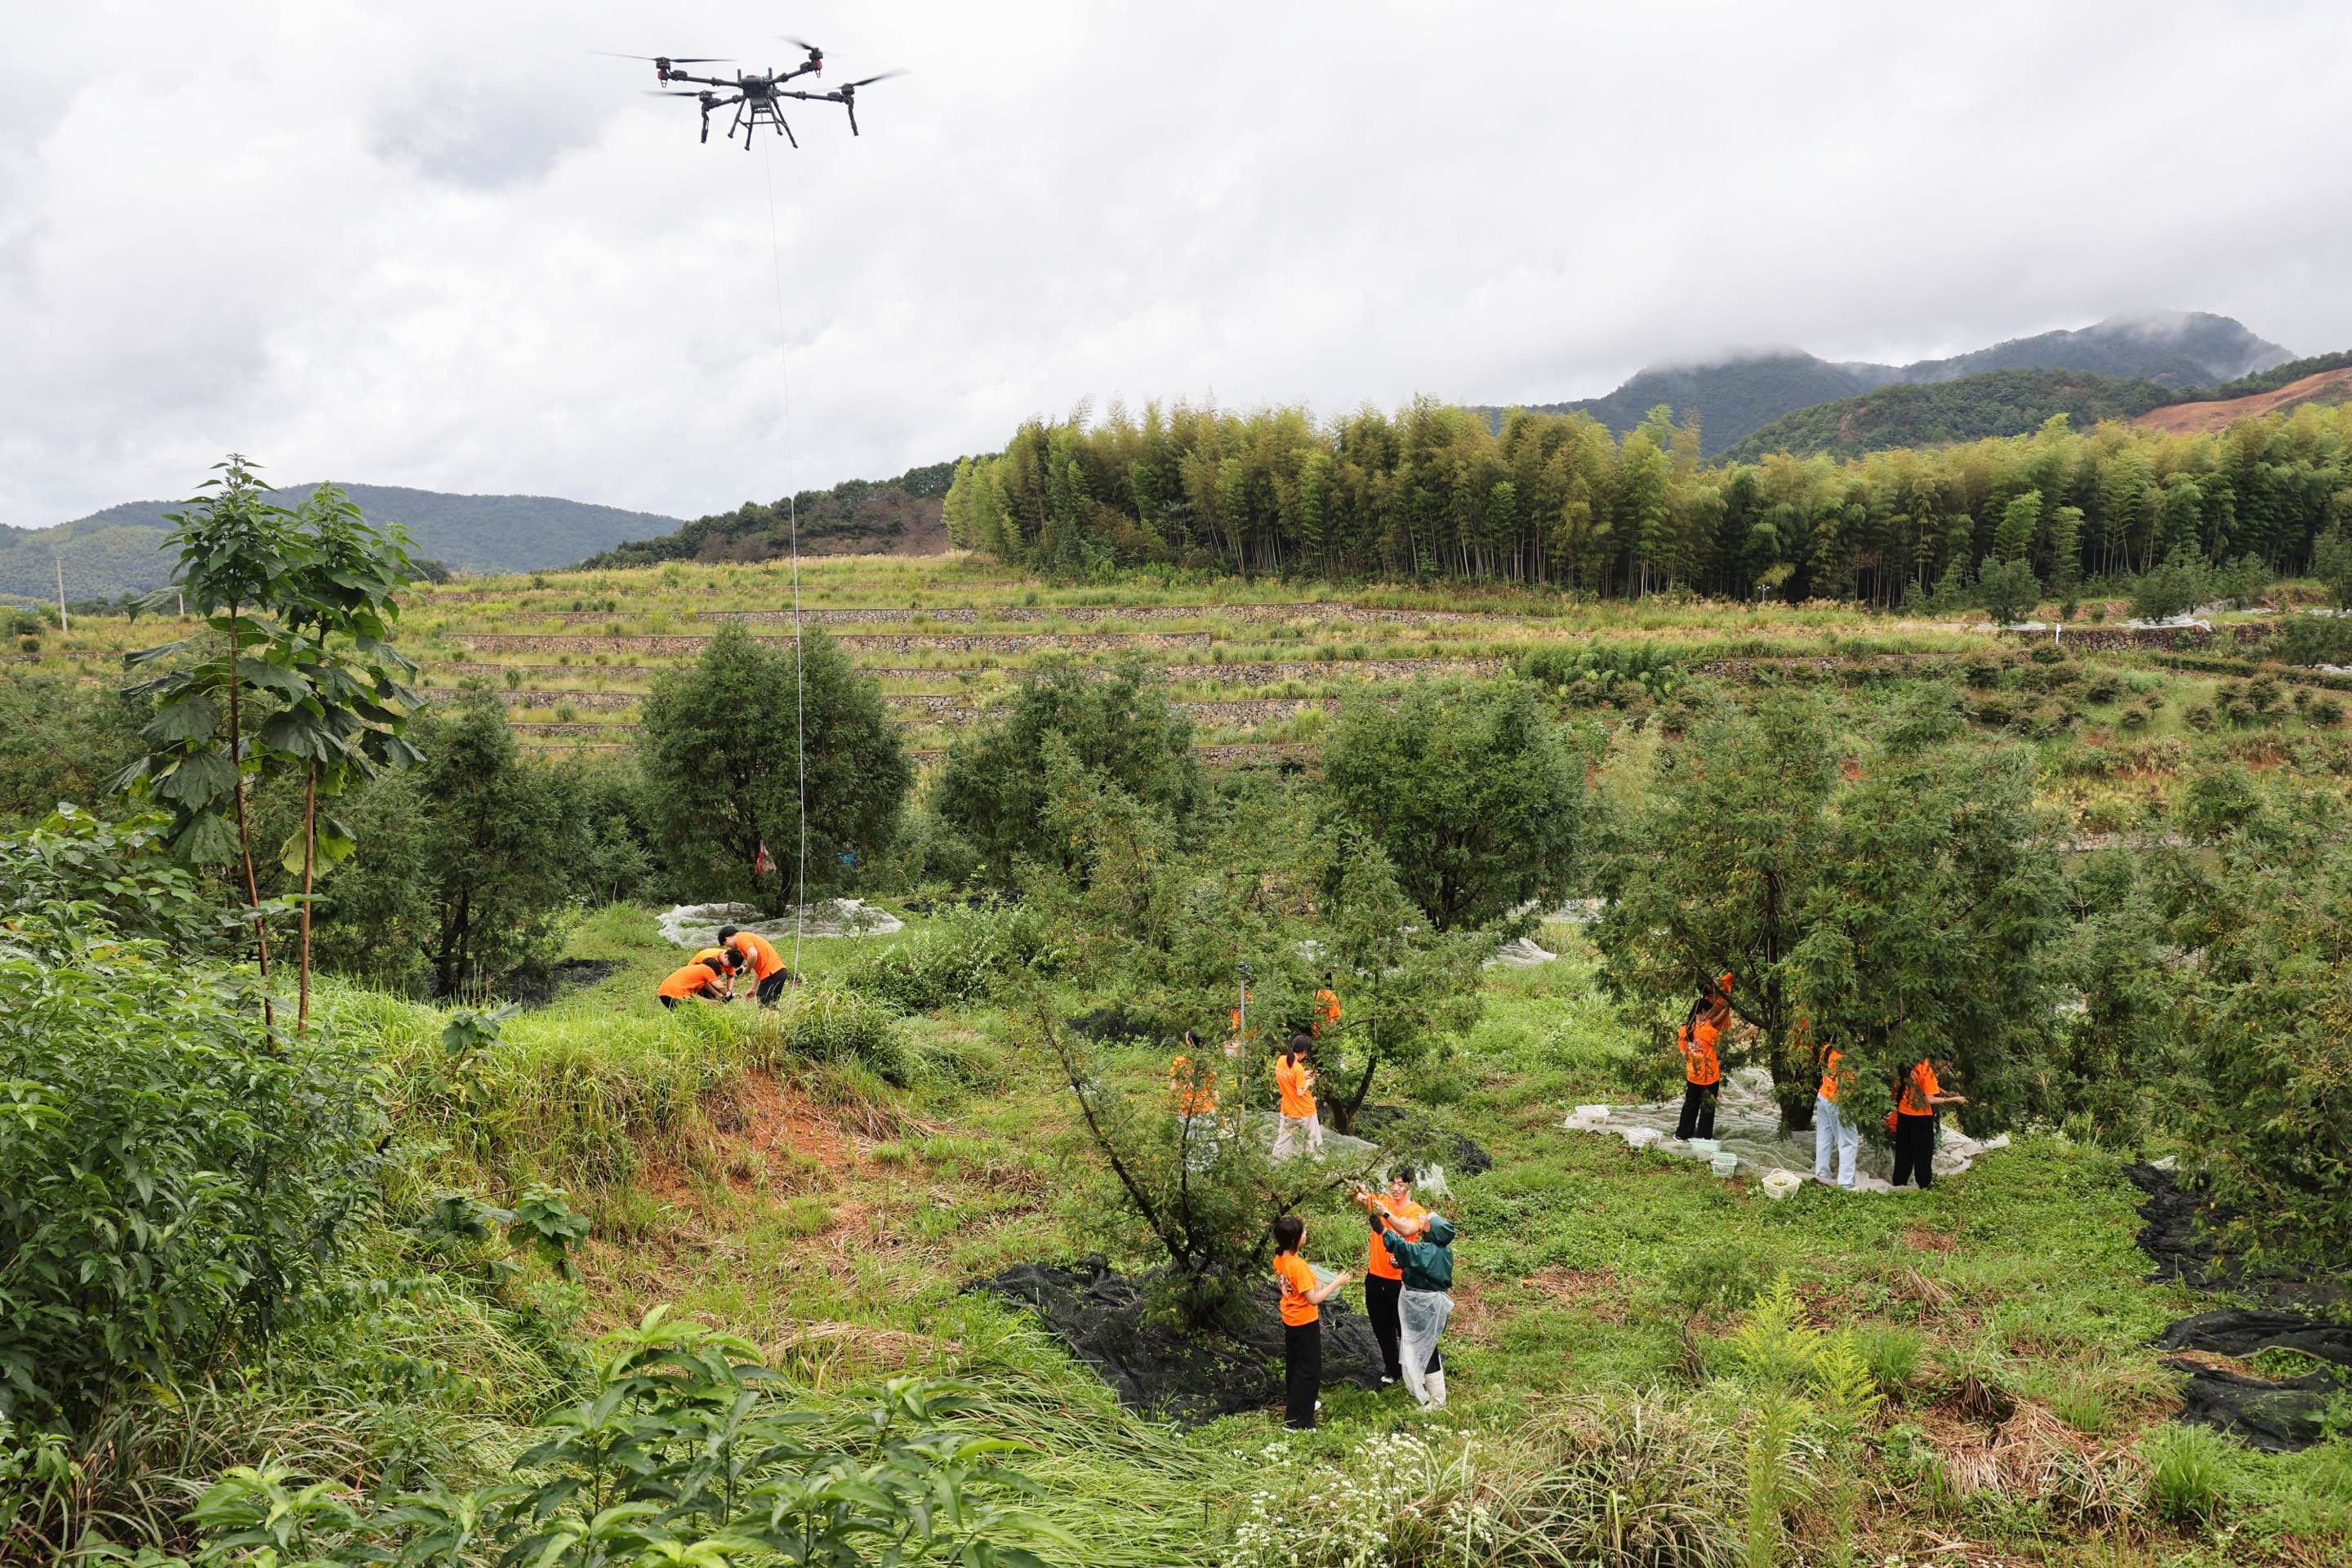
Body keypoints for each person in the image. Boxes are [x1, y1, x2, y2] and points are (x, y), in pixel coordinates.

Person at [1271, 1214, 1349, 1430]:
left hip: (1290, 1318)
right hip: (1305, 1322)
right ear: (1296, 1240)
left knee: (1295, 1365)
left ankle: (1302, 1403)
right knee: (1309, 1370)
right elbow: (1313, 1299)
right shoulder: (1299, 1267)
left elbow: (1286, 1288)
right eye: (1303, 1232)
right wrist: (1337, 1282)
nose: (1306, 1234)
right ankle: (1297, 1422)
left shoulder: (1279, 1259)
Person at [1352, 1169, 1428, 1388]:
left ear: (1410, 1185)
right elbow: (1360, 1200)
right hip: (1376, 1276)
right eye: (1392, 1183)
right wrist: (1358, 1192)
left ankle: (1417, 1369)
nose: (1396, 1189)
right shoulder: (1381, 1200)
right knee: (1381, 1327)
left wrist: (1385, 1212)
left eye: (1401, 1184)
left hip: (1402, 1280)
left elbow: (1406, 1230)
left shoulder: (1416, 1211)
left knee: (1406, 1327)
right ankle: (1392, 1368)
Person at [1377, 1206, 1457, 1410]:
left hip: (1423, 1305)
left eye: (1427, 1223)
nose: (1423, 1223)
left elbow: (1404, 1248)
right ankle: (1431, 1389)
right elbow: (1421, 1264)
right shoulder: (1441, 1250)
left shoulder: (1428, 1250)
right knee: (1428, 1346)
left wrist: (1383, 1231)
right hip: (1431, 1303)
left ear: (1435, 1231)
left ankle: (1437, 1399)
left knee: (1427, 1349)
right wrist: (1403, 1265)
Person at [1891, 1056, 1967, 1190]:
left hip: (1904, 1112)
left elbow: (1925, 1085)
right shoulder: (1929, 1071)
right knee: (1923, 1152)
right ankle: (1924, 1184)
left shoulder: (1918, 1063)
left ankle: (1899, 1182)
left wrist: (1945, 1092)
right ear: (1939, 1058)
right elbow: (1930, 1099)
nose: (1944, 1067)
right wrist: (1953, 1099)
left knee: (1904, 1150)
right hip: (1920, 1116)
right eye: (1945, 1063)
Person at [1674, 973, 1732, 1141]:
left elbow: (1684, 1054)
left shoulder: (1683, 1030)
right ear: (1702, 1013)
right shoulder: (1707, 1030)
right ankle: (1704, 1137)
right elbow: (1726, 1040)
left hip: (1693, 1076)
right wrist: (1728, 1008)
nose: (1710, 1016)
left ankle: (1682, 1134)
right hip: (1710, 1077)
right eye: (1708, 1013)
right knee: (1708, 1108)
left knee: (1690, 1104)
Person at [1807, 1019, 1859, 1190]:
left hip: (1823, 1097)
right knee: (1849, 1142)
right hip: (1839, 1102)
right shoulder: (1846, 1060)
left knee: (1824, 1137)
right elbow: (1848, 1085)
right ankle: (1846, 1184)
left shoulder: (1827, 1049)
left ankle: (1822, 1174)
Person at [1169, 1028, 1219, 1158]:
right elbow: (1214, 1091)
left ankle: (1189, 1176)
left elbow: (1174, 1088)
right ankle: (1205, 1175)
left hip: (1187, 1111)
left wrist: (1174, 1102)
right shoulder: (1208, 1062)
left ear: (1189, 1041)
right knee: (1208, 1151)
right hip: (1207, 1111)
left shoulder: (1180, 1061)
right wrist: (1220, 1112)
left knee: (1186, 1149)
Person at [1272, 1033, 1323, 1159]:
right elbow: (1300, 1092)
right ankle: (1315, 1170)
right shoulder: (1298, 1068)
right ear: (1304, 1051)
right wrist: (1309, 1082)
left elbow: (1289, 1076)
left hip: (1287, 1110)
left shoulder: (1281, 1060)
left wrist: (1304, 1075)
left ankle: (1275, 1165)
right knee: (1312, 1143)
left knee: (1283, 1142)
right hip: (1305, 1111)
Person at [717, 924, 795, 1006]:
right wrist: (753, 989)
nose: (728, 947)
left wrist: (747, 970)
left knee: (765, 1005)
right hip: (777, 972)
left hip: (772, 973)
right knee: (768, 1003)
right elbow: (756, 969)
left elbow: (753, 954)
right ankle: (773, 1018)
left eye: (725, 944)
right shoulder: (745, 938)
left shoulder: (741, 938)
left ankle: (770, 1018)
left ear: (727, 938)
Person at [657, 947, 737, 1009]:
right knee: (695, 1014)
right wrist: (727, 995)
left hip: (664, 994)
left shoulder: (694, 973)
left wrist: (716, 1000)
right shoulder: (706, 969)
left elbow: (696, 999)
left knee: (684, 1017)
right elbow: (720, 987)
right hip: (675, 994)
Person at [1312, 975, 1342, 1040]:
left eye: (1316, 976)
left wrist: (1328, 1036)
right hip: (1315, 1035)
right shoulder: (1317, 993)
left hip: (1324, 1036)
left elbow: (1335, 1018)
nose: (1313, 978)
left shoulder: (1331, 997)